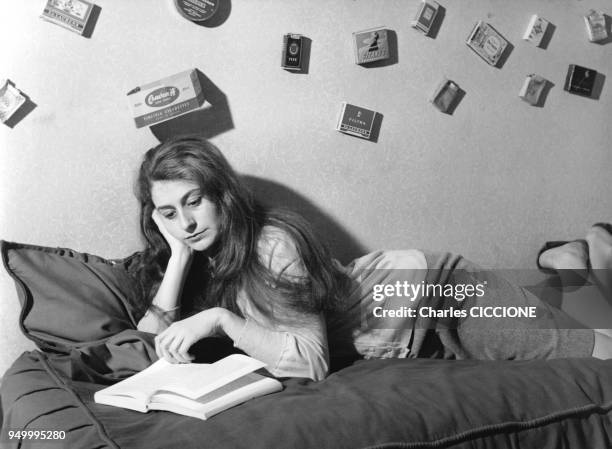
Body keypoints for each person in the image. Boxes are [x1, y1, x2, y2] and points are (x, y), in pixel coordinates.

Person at [133, 136, 612, 381]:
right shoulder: (197, 251)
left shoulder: (271, 244)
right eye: (169, 212)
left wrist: (220, 319)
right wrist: (176, 257)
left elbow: (311, 362)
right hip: (406, 329)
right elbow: (141, 350)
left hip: (440, 296)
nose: (187, 223)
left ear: (222, 195)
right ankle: (571, 266)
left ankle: (577, 265)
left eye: (195, 202)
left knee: (601, 357)